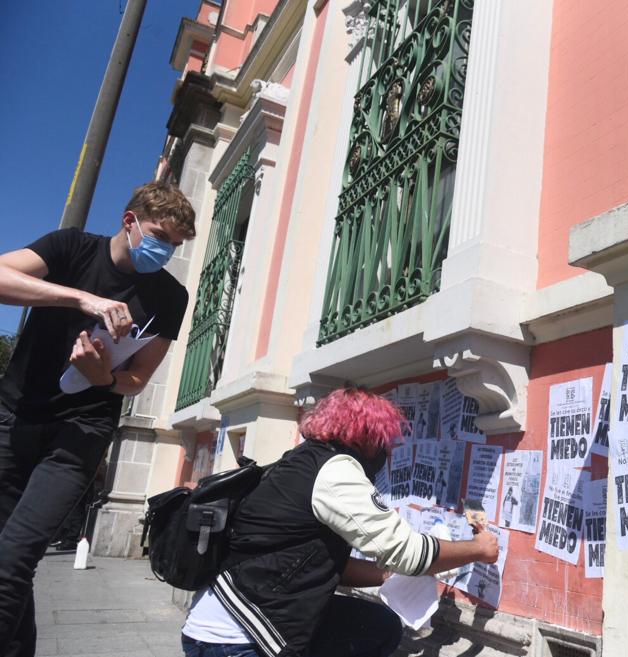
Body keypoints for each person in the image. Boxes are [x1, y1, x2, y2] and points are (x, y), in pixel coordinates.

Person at [0, 182, 195, 657]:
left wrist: (103, 377)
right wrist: (80, 299)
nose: (164, 250)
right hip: (15, 416)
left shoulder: (170, 297)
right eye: (158, 235)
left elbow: (137, 380)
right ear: (129, 222)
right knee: (10, 566)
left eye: (173, 244)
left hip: (81, 434)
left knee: (12, 560)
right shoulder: (71, 248)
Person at [180, 388, 499, 657]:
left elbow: (320, 562)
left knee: (377, 625)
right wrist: (479, 548)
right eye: (382, 442)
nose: (385, 452)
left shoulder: (298, 462)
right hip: (240, 635)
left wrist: (387, 575)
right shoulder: (335, 470)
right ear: (366, 436)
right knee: (376, 629)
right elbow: (409, 553)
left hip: (219, 622)